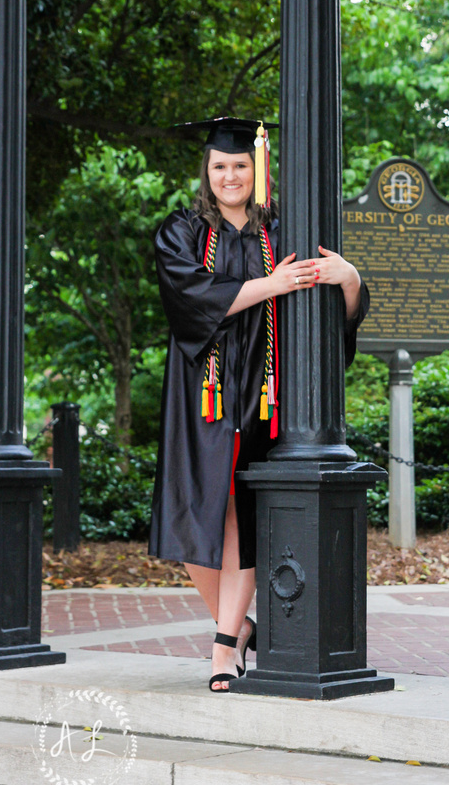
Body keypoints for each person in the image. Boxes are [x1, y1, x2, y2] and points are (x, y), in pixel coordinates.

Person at [148, 116, 369, 691]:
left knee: (240, 517)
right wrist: (276, 284)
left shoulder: (285, 233)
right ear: (207, 171)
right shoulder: (181, 232)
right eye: (220, 166)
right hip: (204, 394)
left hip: (264, 394)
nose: (230, 175)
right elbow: (193, 302)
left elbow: (327, 323)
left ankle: (224, 649)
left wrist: (349, 279)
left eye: (241, 165)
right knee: (194, 517)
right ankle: (241, 624)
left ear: (258, 169)